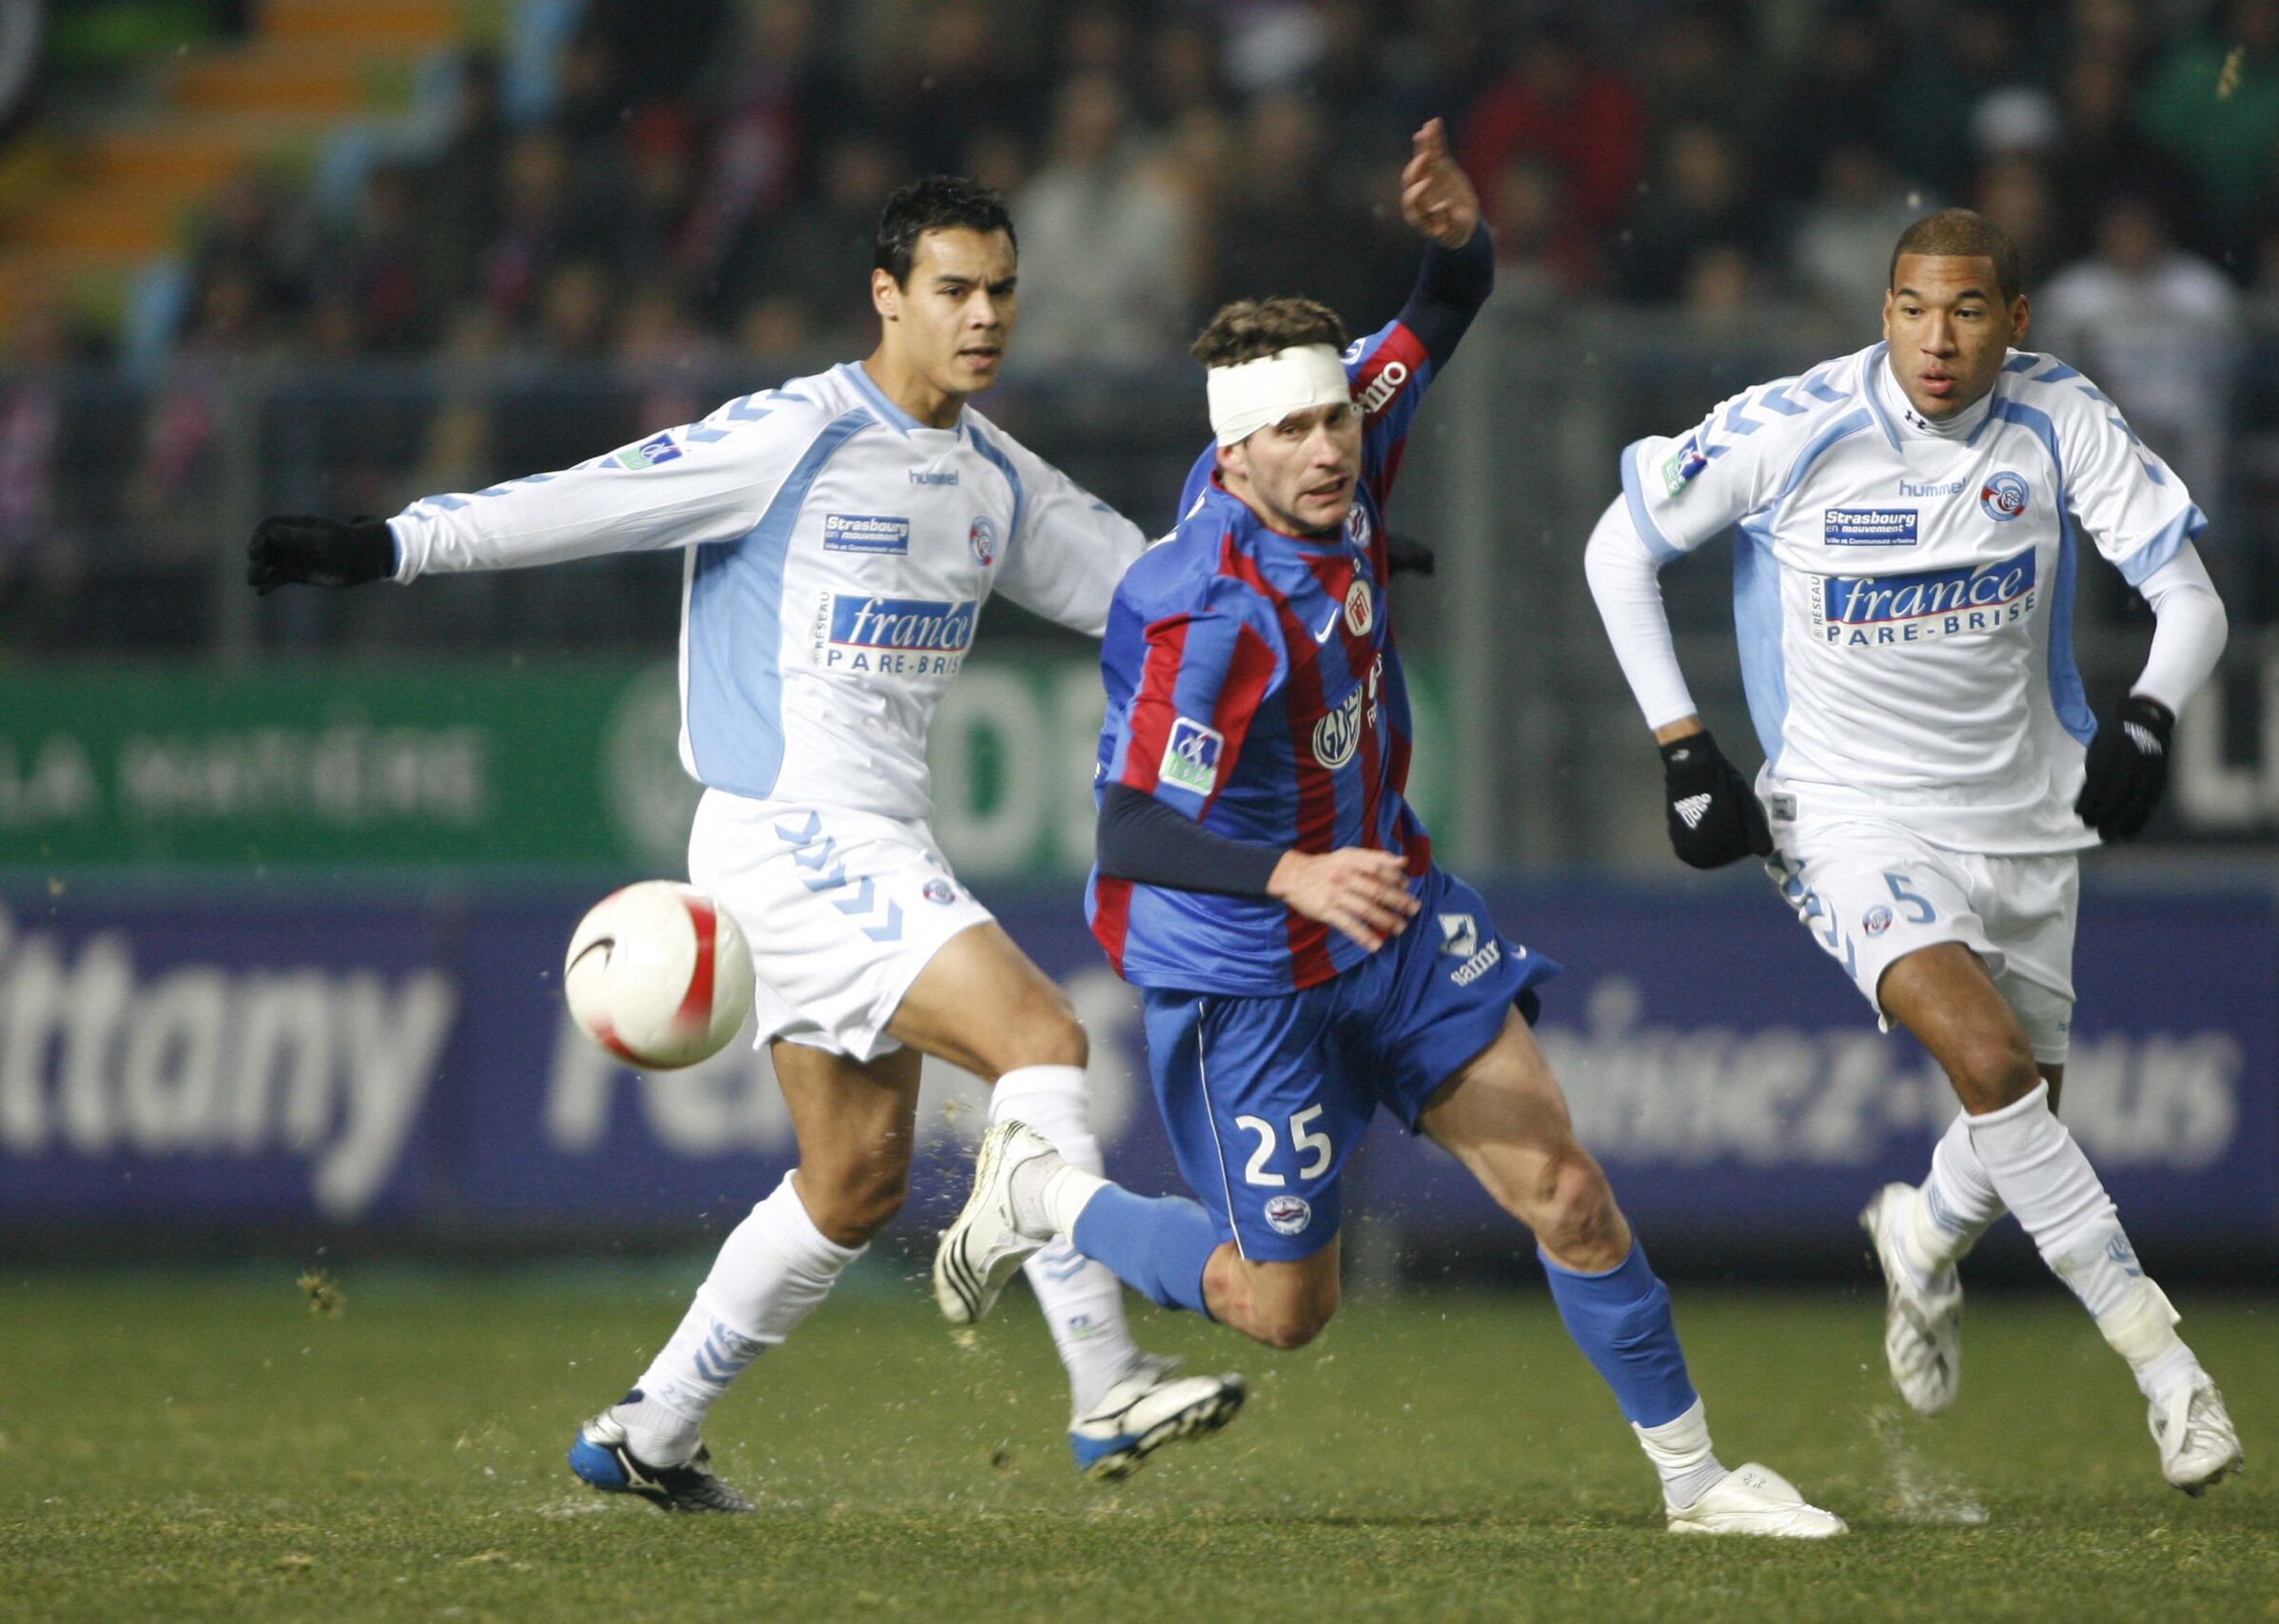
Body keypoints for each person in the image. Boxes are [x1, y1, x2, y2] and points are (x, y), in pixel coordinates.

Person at [245, 176, 1244, 1511]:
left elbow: (1153, 590)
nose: (984, 316)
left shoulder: (995, 478)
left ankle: (649, 1430)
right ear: (886, 295)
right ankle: (1105, 1382)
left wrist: (1305, 567)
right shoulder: (794, 434)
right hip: (788, 831)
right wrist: (390, 546)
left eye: (1002, 291)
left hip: (875, 836)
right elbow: (591, 498)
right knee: (1041, 1041)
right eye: (953, 289)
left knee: (856, 1178)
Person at [933, 123, 1844, 1540]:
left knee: (1568, 1192)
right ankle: (1047, 1195)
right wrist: (1290, 871)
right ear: (1233, 454)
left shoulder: (1343, 424)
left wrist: (1455, 231)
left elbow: (1449, 300)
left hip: (1392, 914)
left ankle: (1697, 1483)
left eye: (1337, 423)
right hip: (1248, 973)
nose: (1327, 450)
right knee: (1284, 1309)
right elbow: (1128, 829)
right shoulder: (1201, 615)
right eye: (1293, 435)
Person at [1579, 208, 2241, 1495]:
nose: (1938, 341)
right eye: (1914, 310)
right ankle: (2170, 1371)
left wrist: (2150, 720)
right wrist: (1684, 748)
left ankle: (1923, 1235)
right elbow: (1620, 548)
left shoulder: (2060, 418)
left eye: (1969, 312)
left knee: (2020, 1106)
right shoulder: (1795, 425)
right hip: (1848, 816)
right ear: (1884, 312)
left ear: (2015, 322)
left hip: (2029, 815)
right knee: (1991, 1064)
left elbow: (2190, 600)